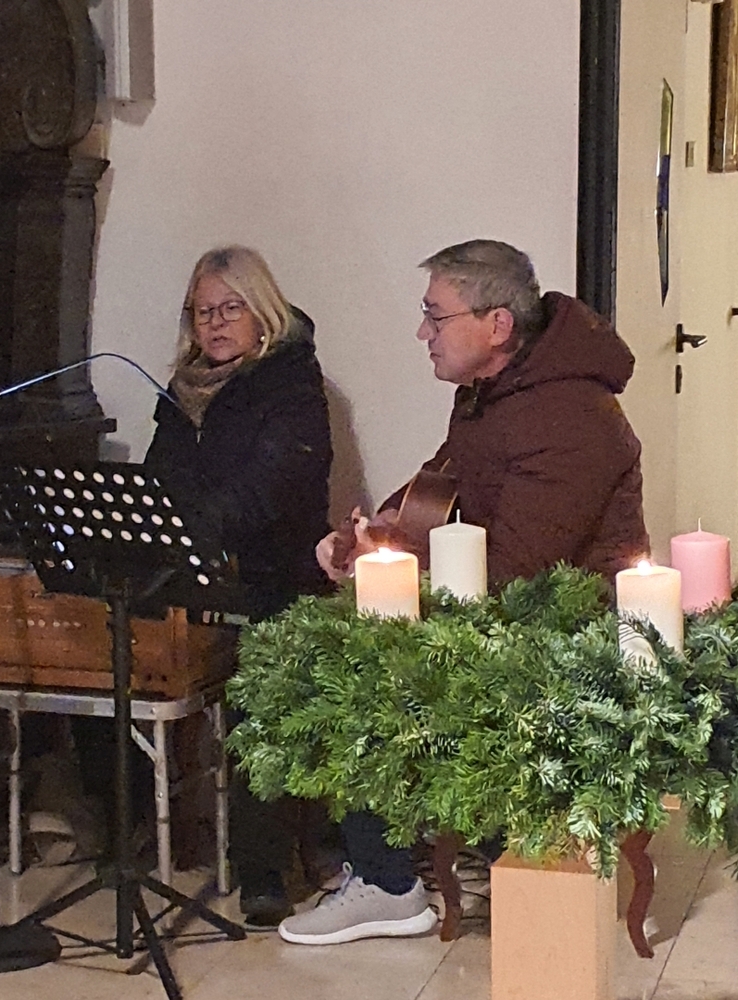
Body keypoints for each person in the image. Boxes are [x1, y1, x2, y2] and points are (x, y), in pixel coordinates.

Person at [278, 238, 649, 945]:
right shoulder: (493, 395)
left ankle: (387, 881)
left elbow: (516, 574)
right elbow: (438, 486)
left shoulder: (571, 418)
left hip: (566, 634)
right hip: (499, 611)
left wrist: (396, 571)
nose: (423, 333)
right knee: (336, 634)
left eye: (435, 316)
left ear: (497, 325)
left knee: (355, 666)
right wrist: (367, 539)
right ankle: (387, 863)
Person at [145, 244, 333, 925]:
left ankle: (262, 869)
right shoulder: (182, 392)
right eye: (203, 312)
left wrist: (190, 530)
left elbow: (269, 489)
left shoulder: (291, 383)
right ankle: (130, 834)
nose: (216, 324)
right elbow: (158, 479)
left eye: (231, 309)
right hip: (194, 572)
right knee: (106, 636)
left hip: (274, 575)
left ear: (263, 315)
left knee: (261, 691)